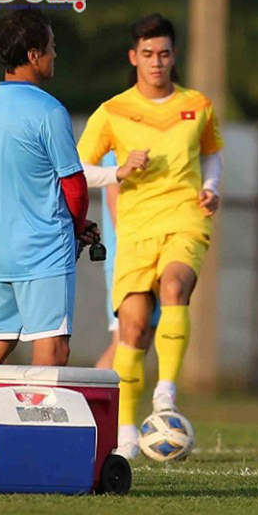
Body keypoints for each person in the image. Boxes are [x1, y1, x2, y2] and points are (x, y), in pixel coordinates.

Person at [76, 13, 225, 460]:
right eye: (147, 54)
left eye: (163, 53)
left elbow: (212, 153)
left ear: (173, 55)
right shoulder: (113, 110)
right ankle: (125, 435)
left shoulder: (196, 104)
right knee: (133, 328)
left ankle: (165, 393)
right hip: (136, 229)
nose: (156, 62)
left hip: (184, 217)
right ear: (133, 57)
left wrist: (211, 189)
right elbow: (77, 167)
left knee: (176, 285)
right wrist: (118, 171)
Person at [0, 9, 98, 367]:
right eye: (51, 47)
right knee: (53, 350)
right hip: (42, 249)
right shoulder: (48, 111)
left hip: (0, 248)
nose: (54, 55)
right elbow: (75, 186)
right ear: (33, 55)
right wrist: (75, 230)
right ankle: (39, 424)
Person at [84, 152, 160, 371]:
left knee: (141, 341)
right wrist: (133, 250)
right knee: (126, 341)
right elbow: (114, 195)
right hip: (130, 257)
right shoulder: (121, 131)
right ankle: (94, 404)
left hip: (157, 254)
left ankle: (118, 404)